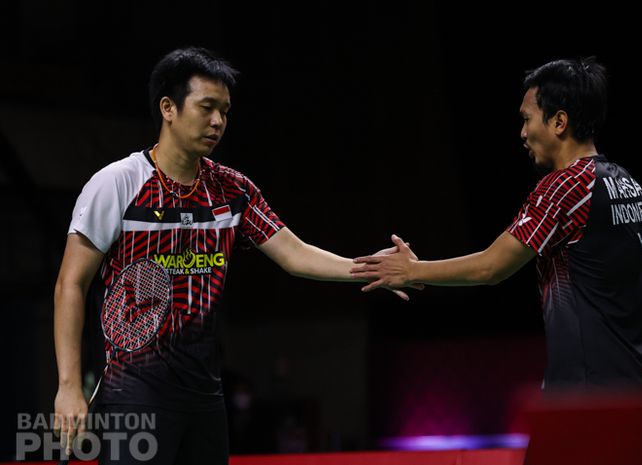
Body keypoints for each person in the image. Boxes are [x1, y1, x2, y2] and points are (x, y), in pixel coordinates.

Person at [52, 47, 413, 464]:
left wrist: (371, 269)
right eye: (207, 108)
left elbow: (294, 254)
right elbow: (70, 285)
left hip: (205, 395)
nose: (218, 121)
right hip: (133, 391)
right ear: (168, 108)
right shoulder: (118, 184)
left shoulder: (232, 190)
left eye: (224, 111)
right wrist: (68, 385)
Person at [351, 57, 642, 400]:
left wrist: (412, 270)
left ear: (559, 122)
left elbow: (491, 266)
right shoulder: (633, 189)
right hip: (636, 401)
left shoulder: (565, 187)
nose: (522, 133)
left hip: (583, 404)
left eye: (527, 120)